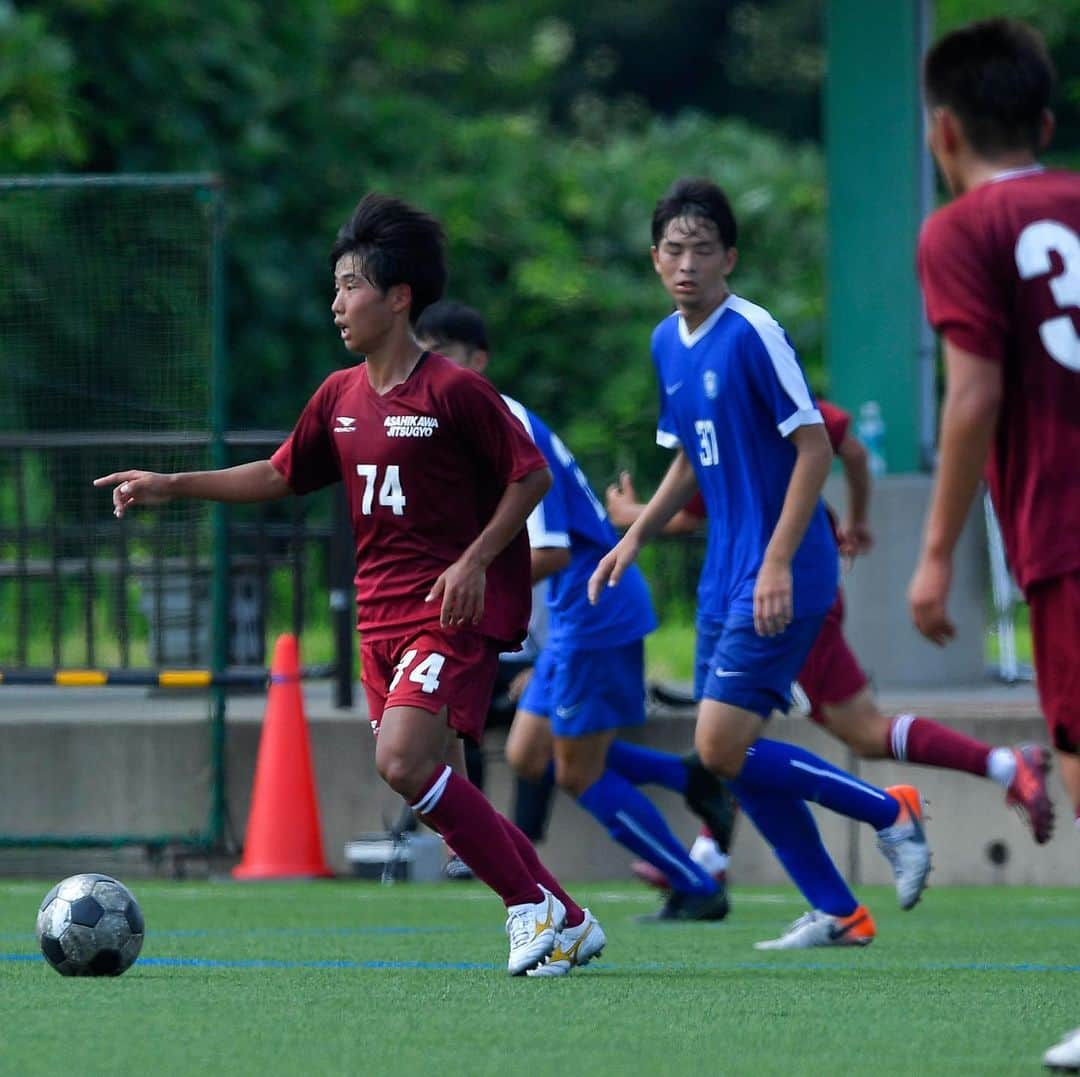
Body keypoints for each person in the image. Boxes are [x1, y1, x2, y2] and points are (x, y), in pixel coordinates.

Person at [94, 192, 595, 977]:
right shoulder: (339, 396)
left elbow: (528, 480)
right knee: (443, 795)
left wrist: (472, 560)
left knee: (400, 763)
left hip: (450, 612)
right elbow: (279, 472)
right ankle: (565, 911)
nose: (337, 303)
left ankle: (527, 910)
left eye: (351, 285)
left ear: (399, 298)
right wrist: (171, 483)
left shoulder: (456, 392)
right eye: (335, 286)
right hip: (380, 620)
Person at [589, 176, 932, 950]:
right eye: (673, 250)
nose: (687, 264)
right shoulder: (663, 342)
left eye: (702, 250)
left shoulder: (753, 332)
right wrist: (635, 535)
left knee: (716, 748)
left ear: (729, 258)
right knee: (735, 755)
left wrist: (777, 561)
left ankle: (891, 813)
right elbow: (686, 458)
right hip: (724, 575)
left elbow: (816, 448)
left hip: (783, 569)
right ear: (654, 259)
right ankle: (840, 911)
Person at [607, 397, 1053, 893]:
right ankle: (716, 856)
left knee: (798, 732)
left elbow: (693, 514)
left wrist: (633, 514)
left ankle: (918, 801)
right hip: (760, 591)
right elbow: (853, 456)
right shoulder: (737, 399)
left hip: (779, 596)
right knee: (739, 734)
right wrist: (858, 521)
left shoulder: (756, 394)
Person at [416, 300, 737, 952]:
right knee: (528, 753)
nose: (431, 372)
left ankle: (695, 886)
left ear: (477, 361)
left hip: (595, 606)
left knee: (576, 771)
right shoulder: (472, 424)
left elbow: (553, 549)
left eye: (444, 355)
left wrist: (466, 586)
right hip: (572, 614)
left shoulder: (501, 420)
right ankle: (690, 778)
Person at [904, 21, 1080, 1067]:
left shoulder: (964, 229)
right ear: (1047, 124)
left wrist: (934, 557)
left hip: (1067, 522)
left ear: (944, 131)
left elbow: (973, 397)